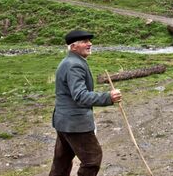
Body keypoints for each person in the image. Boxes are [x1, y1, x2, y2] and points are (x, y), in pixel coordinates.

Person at [49, 30, 122, 176]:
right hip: (75, 123)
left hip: (64, 121)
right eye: (85, 41)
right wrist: (108, 97)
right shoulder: (74, 65)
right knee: (92, 159)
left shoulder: (70, 61)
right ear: (74, 46)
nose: (90, 44)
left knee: (62, 161)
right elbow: (80, 96)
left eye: (89, 41)